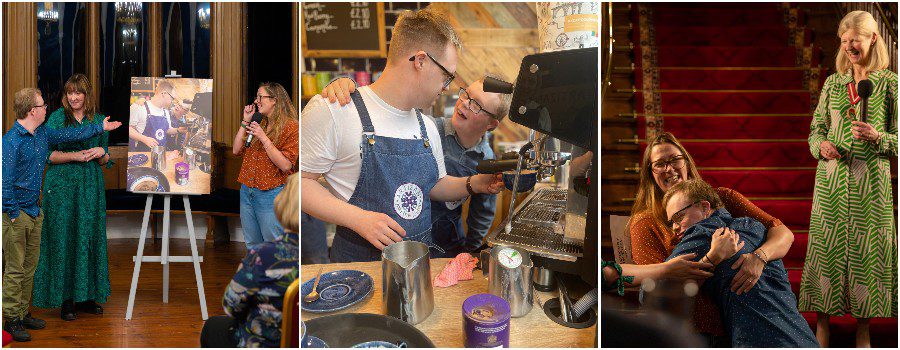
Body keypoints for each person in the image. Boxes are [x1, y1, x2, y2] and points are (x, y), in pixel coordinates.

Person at [300, 7, 503, 263]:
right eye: (446, 75)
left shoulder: (426, 126)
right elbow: (299, 184)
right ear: (420, 61)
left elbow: (433, 185)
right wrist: (358, 219)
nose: (446, 86)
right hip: (361, 270)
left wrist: (475, 183)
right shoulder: (335, 109)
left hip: (418, 268)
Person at [628, 132, 796, 345]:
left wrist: (759, 257)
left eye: (675, 160)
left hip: (743, 320)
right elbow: (655, 288)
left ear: (686, 163)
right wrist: (712, 257)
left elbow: (783, 233)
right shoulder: (645, 222)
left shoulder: (722, 198)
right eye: (660, 164)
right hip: (691, 327)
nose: (669, 169)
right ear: (650, 173)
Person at [320, 74, 512, 257]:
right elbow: (380, 107)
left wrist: (472, 251)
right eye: (466, 94)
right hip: (395, 237)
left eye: (477, 105)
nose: (465, 103)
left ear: (491, 124)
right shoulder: (425, 130)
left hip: (448, 241)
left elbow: (481, 213)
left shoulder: (486, 159)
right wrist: (345, 83)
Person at [799, 10, 897, 348]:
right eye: (844, 40)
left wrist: (878, 136)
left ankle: (863, 327)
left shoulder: (891, 85)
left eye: (854, 38)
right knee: (826, 251)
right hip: (831, 182)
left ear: (872, 38)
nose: (848, 45)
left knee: (866, 254)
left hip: (871, 183)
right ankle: (822, 325)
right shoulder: (833, 83)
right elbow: (816, 130)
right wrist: (820, 145)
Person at [2, 88, 121, 342]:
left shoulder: (42, 134)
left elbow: (72, 133)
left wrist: (100, 128)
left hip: (35, 212)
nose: (47, 108)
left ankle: (23, 314)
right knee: (14, 270)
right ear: (32, 111)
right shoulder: (10, 141)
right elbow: (4, 183)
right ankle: (11, 321)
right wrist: (13, 214)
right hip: (17, 215)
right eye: (43, 105)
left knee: (28, 268)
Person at [663, 179, 819, 347]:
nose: (674, 227)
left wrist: (711, 258)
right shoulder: (755, 227)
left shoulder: (701, 234)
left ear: (705, 207)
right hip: (804, 339)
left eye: (679, 217)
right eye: (671, 222)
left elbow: (655, 290)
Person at [32, 74, 112, 322]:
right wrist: (75, 156)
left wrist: (102, 152)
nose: (74, 97)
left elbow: (105, 157)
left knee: (89, 236)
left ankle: (87, 296)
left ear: (87, 95)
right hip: (62, 188)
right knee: (63, 238)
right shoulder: (56, 118)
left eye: (78, 92)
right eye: (69, 93)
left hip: (90, 187)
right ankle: (66, 299)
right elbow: (48, 156)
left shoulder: (99, 120)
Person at [200, 173, 300, 348]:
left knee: (213, 327)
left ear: (284, 204)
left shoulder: (262, 255)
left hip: (263, 342)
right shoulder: (317, 259)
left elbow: (231, 306)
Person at [232, 82, 299, 249]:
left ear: (275, 100)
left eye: (260, 97)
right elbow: (236, 150)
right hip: (247, 191)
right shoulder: (259, 123)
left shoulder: (292, 127)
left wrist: (263, 138)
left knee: (274, 246)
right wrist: (244, 122)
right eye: (257, 97)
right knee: (252, 245)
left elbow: (285, 165)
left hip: (271, 194)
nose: (256, 101)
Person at [128, 79, 179, 152]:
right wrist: (144, 139)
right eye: (172, 98)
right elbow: (129, 129)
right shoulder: (139, 107)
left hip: (161, 153)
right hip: (144, 155)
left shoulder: (166, 112)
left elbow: (167, 129)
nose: (172, 101)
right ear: (164, 93)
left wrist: (178, 130)